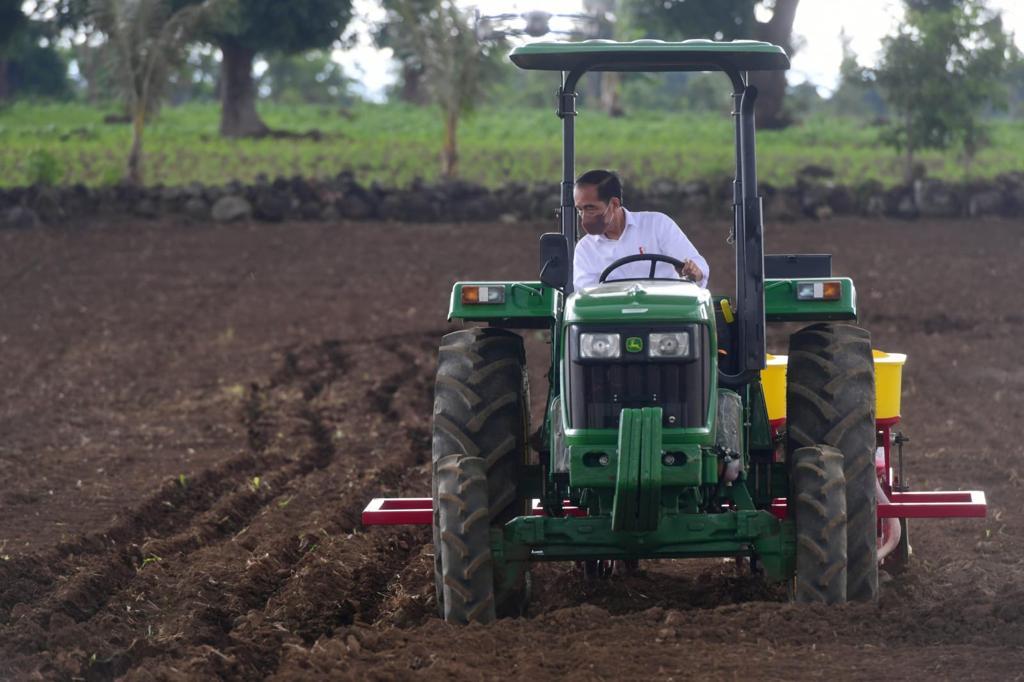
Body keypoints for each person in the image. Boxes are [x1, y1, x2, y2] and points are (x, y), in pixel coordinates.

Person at [572, 169, 709, 292]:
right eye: (580, 210)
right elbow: (586, 296)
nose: (584, 216)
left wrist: (695, 272)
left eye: (590, 208)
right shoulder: (585, 249)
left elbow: (698, 266)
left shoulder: (658, 225)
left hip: (664, 312)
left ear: (614, 203)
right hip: (614, 317)